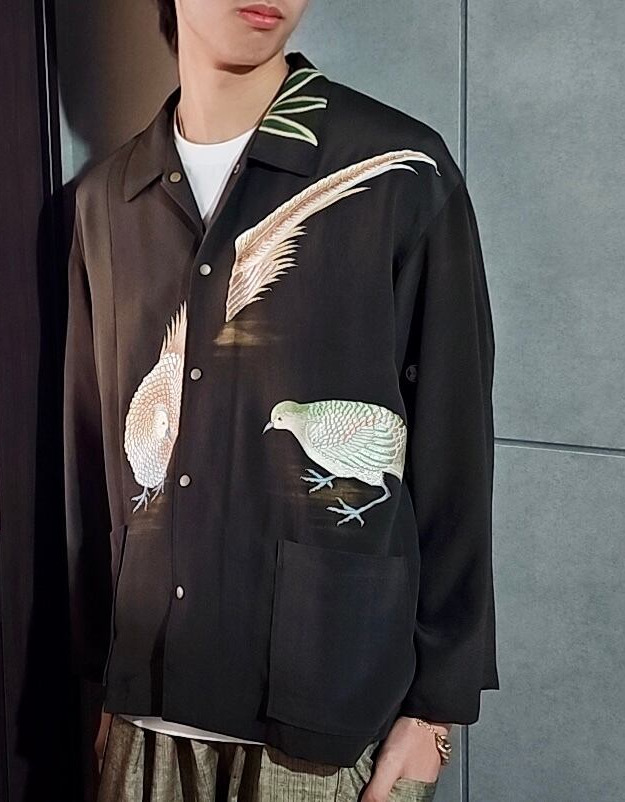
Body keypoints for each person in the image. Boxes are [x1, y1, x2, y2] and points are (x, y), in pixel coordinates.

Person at [63, 0, 498, 799]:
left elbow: (455, 446)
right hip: (146, 706)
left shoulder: (397, 171)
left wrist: (437, 708)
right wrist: (105, 672)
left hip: (329, 719)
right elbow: (92, 455)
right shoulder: (107, 201)